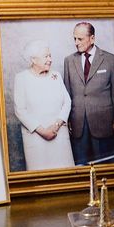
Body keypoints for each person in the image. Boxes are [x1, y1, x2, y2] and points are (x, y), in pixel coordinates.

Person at [63, 22, 114, 165]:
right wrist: (68, 121)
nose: (76, 43)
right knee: (81, 166)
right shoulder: (69, 61)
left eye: (80, 39)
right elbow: (67, 94)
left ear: (92, 38)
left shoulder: (110, 60)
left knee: (103, 165)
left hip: (103, 123)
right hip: (78, 124)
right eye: (74, 39)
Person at [14, 40, 76, 171]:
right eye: (46, 56)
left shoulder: (56, 75)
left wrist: (56, 125)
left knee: (66, 177)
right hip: (36, 139)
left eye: (50, 56)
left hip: (59, 135)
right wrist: (43, 131)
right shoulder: (21, 78)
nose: (50, 59)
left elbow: (67, 102)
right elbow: (20, 110)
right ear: (33, 59)